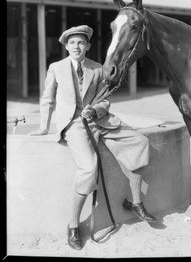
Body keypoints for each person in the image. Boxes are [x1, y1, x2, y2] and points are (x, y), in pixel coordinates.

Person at [29, 25, 156, 250]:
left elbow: (105, 100)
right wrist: (43, 127)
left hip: (99, 120)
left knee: (140, 142)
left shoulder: (97, 68)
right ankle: (73, 225)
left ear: (88, 46)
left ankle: (135, 202)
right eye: (72, 43)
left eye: (81, 42)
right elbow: (47, 98)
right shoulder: (56, 68)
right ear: (66, 46)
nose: (76, 46)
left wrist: (95, 110)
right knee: (89, 167)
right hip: (74, 124)